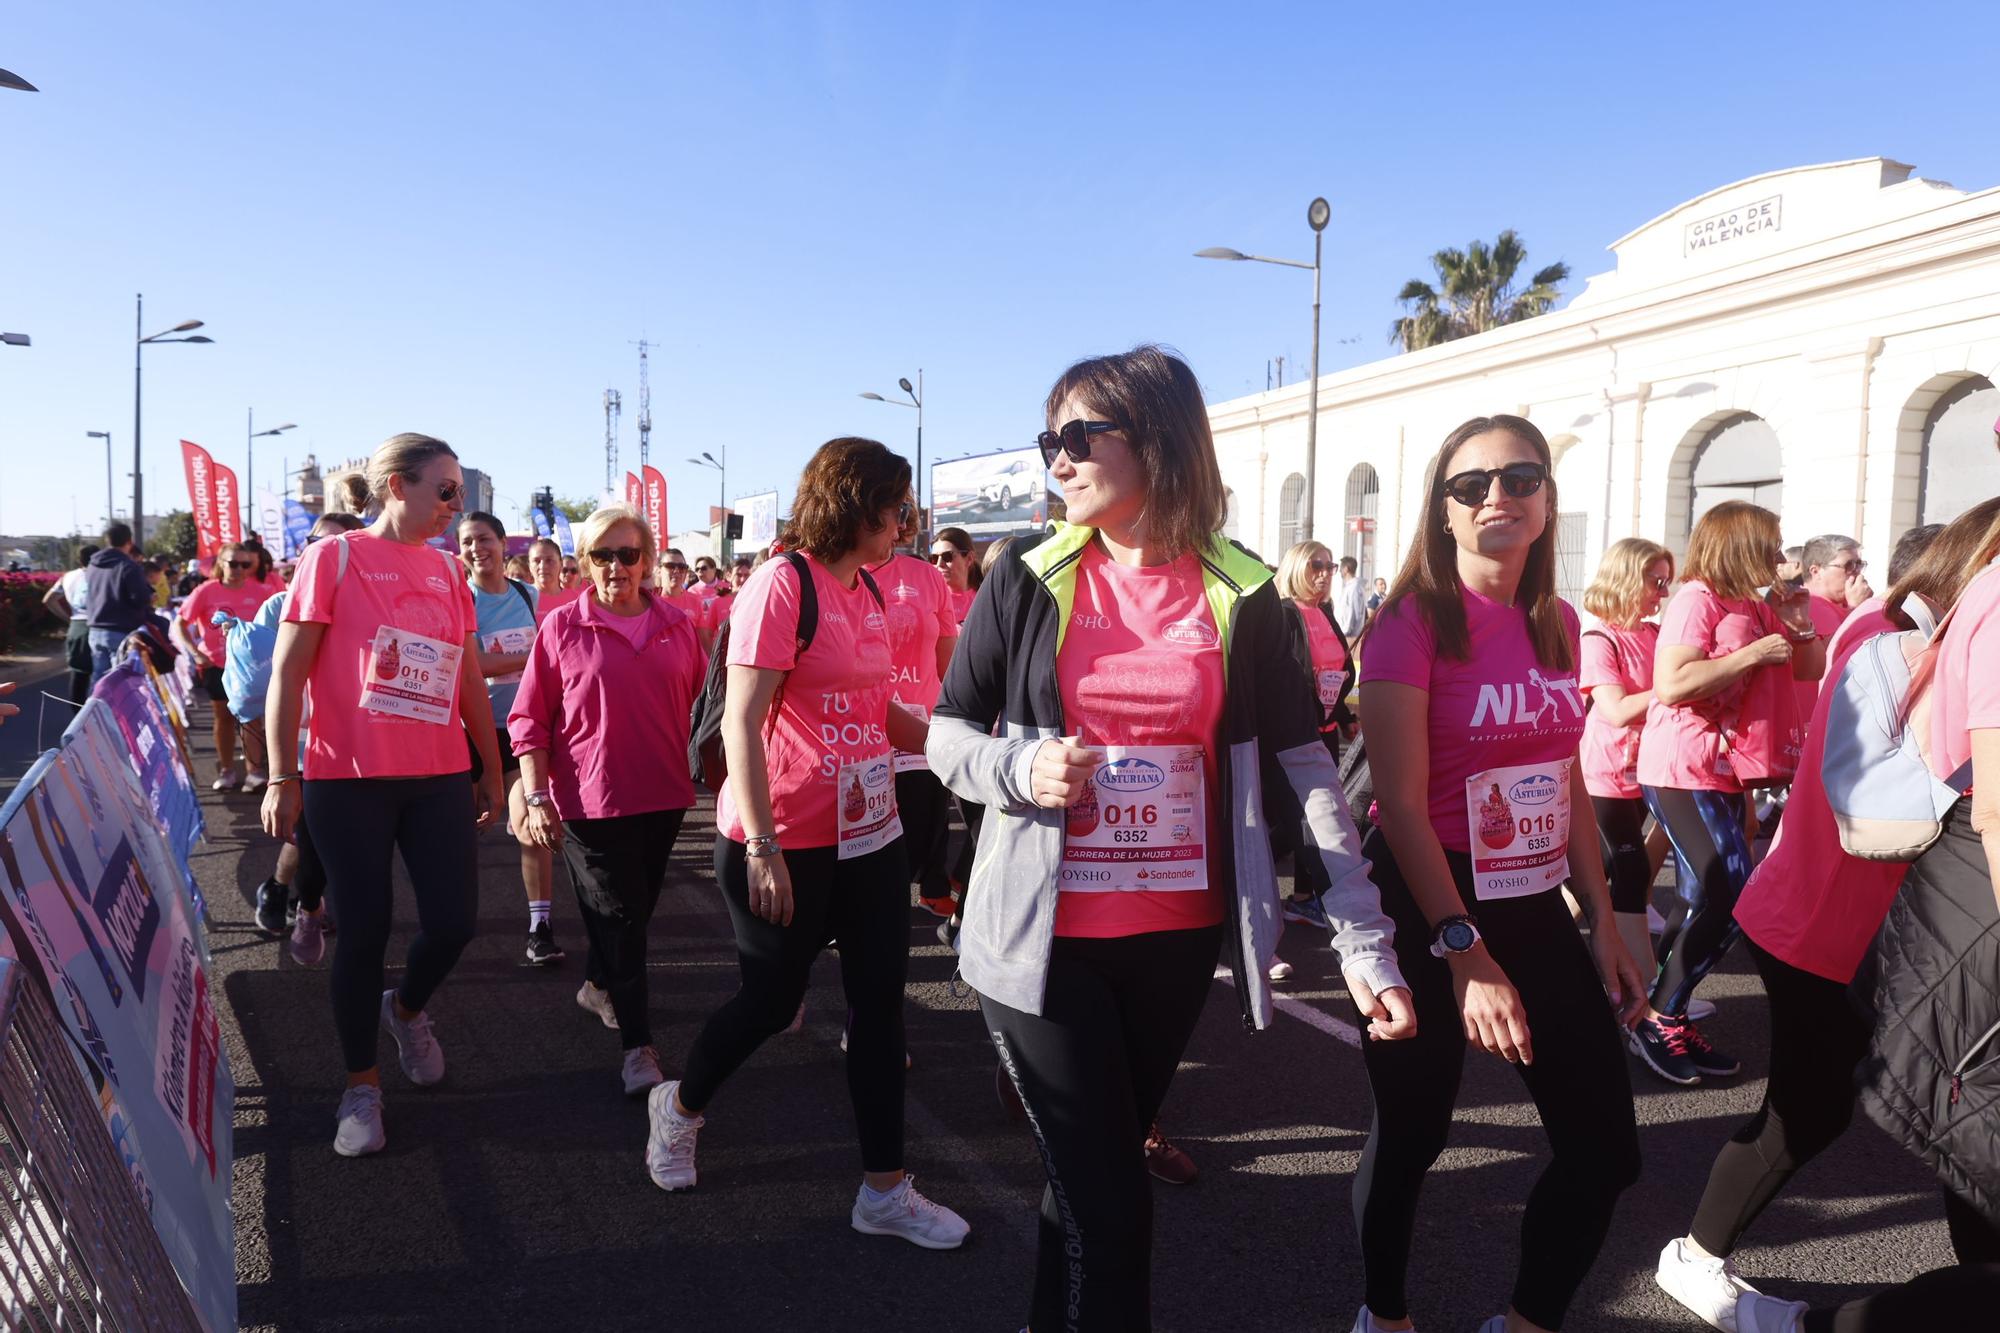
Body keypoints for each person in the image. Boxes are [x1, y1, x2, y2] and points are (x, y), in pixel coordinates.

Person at [928, 347, 1413, 1328]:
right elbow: (945, 733)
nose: (1053, 460)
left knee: (1087, 1188)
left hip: (1173, 941)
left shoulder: (1244, 592)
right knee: (1115, 1210)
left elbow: (1304, 764)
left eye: (1076, 437)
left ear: (1155, 439)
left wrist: (1361, 937)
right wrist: (1019, 771)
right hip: (1039, 946)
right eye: (1045, 440)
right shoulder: (1024, 577)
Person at [1653, 506, 1996, 1327]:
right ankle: (1694, 1256)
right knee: (1810, 1109)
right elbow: (1862, 791)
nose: (1863, 579)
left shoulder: (1926, 640)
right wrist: (1970, 791)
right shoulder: (1887, 640)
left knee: (1955, 1119)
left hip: (1889, 938)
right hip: (1819, 924)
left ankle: (1977, 1288)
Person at [1353, 413, 1647, 1333]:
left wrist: (1602, 917)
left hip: (1530, 897)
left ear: (1548, 500)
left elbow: (1565, 778)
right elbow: (1399, 805)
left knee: (1604, 1147)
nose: (1497, 498)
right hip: (1422, 894)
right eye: (1470, 485)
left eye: (1520, 478)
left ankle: (1524, 1322)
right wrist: (1461, 949)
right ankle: (1385, 1315)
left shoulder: (1559, 620)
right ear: (1442, 512)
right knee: (1414, 1132)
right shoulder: (1410, 623)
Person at [644, 437, 971, 1251]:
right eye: (896, 505)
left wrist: (961, 751)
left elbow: (877, 708)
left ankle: (885, 1190)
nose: (905, 520)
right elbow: (742, 723)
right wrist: (762, 845)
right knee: (768, 1002)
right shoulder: (781, 585)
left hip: (869, 830)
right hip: (783, 834)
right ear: (857, 504)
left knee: (879, 1004)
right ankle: (678, 1108)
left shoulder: (866, 587)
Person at [260, 432, 504, 1159]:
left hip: (435, 777)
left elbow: (466, 682)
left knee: (455, 922)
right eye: (446, 489)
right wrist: (281, 772)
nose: (456, 505)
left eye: (461, 490)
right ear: (396, 486)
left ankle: (405, 1008)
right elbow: (288, 672)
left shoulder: (446, 572)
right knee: (364, 930)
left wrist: (490, 769)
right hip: (348, 780)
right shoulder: (334, 557)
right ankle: (360, 1087)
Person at [510, 505, 704, 1094]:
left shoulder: (676, 624)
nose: (616, 566)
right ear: (586, 562)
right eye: (602, 555)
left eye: (628, 554)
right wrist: (536, 794)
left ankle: (597, 985)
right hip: (589, 801)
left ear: (647, 560)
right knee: (622, 918)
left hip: (666, 795)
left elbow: (701, 705)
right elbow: (529, 719)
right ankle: (638, 1047)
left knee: (632, 911)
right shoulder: (561, 627)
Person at [1633, 501, 1825, 1082]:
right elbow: (1670, 683)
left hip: (1724, 767)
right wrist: (1751, 652)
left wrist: (1796, 617)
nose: (1780, 556)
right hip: (1680, 763)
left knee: (1702, 897)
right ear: (1738, 543)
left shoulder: (1753, 602)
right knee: (1730, 892)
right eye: (1770, 543)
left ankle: (1662, 1011)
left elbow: (1807, 667)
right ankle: (1659, 1016)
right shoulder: (1698, 597)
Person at [244, 512, 368, 962]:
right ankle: (292, 895)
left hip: (356, 742)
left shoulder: (372, 602)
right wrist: (268, 763)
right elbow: (252, 685)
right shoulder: (278, 606)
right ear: (305, 549)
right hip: (299, 744)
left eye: (343, 545)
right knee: (307, 832)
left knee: (329, 836)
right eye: (320, 543)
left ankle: (301, 896)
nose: (330, 554)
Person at [1577, 537, 1675, 1039]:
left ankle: (1554, 945)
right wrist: (1677, 685)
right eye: (1653, 580)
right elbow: (1614, 710)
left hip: (1646, 770)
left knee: (1601, 869)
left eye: (1666, 581)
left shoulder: (1659, 633)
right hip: (1606, 771)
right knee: (1631, 872)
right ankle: (1649, 990)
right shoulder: (1600, 640)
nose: (1661, 591)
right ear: (1624, 578)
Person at [457, 511, 562, 966]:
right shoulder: (461, 598)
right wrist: (534, 651)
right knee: (457, 835)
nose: (476, 549)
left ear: (503, 545)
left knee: (529, 824)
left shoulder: (528, 593)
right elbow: (474, 664)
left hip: (522, 732)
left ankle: (540, 927)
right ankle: (451, 921)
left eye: (483, 539)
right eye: (466, 543)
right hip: (470, 734)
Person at [1267, 539, 1358, 961]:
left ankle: (1303, 897)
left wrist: (1341, 713)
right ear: (1296, 568)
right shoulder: (1283, 614)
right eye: (1316, 565)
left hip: (1322, 731)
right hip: (1287, 735)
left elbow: (1340, 672)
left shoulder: (1325, 613)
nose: (1324, 573)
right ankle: (1258, 915)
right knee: (1284, 823)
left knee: (1317, 818)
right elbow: (1279, 676)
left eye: (1330, 565)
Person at [867, 507, 960, 918]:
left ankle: (927, 888)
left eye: (901, 510)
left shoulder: (924, 576)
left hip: (919, 729)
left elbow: (947, 661)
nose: (897, 523)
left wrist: (958, 719)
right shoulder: (829, 576)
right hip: (858, 730)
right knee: (861, 837)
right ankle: (858, 915)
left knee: (922, 829)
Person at [178, 543, 278, 791]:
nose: (239, 569)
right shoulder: (206, 591)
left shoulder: (262, 590)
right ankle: (227, 770)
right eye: (233, 563)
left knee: (252, 719)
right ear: (220, 564)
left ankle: (254, 772)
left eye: (245, 564)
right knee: (223, 718)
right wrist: (196, 653)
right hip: (218, 665)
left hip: (253, 669)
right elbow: (181, 623)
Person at [85, 522, 156, 683]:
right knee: (120, 685)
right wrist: (149, 598)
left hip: (95, 630)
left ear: (107, 540)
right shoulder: (128, 566)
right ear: (129, 542)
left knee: (99, 682)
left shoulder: (92, 565)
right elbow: (140, 599)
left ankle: (95, 708)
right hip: (121, 631)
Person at [41, 545, 96, 707]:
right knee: (104, 677)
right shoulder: (103, 575)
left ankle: (77, 720)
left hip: (76, 627)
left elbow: (48, 600)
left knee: (79, 675)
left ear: (80, 560)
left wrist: (68, 618)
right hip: (98, 627)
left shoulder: (67, 577)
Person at [929, 525, 981, 623]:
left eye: (947, 556)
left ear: (969, 558)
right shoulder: (928, 600)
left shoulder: (985, 598)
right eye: (934, 558)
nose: (939, 564)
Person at [526, 536, 582, 621]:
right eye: (536, 561)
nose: (543, 566)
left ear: (560, 563)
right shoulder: (521, 599)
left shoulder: (576, 600)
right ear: (529, 565)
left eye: (549, 560)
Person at [1333, 553, 1367, 637]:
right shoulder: (1350, 587)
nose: (1339, 571)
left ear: (1346, 569)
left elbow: (1352, 613)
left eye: (1341, 568)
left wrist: (1344, 634)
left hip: (1348, 637)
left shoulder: (1354, 588)